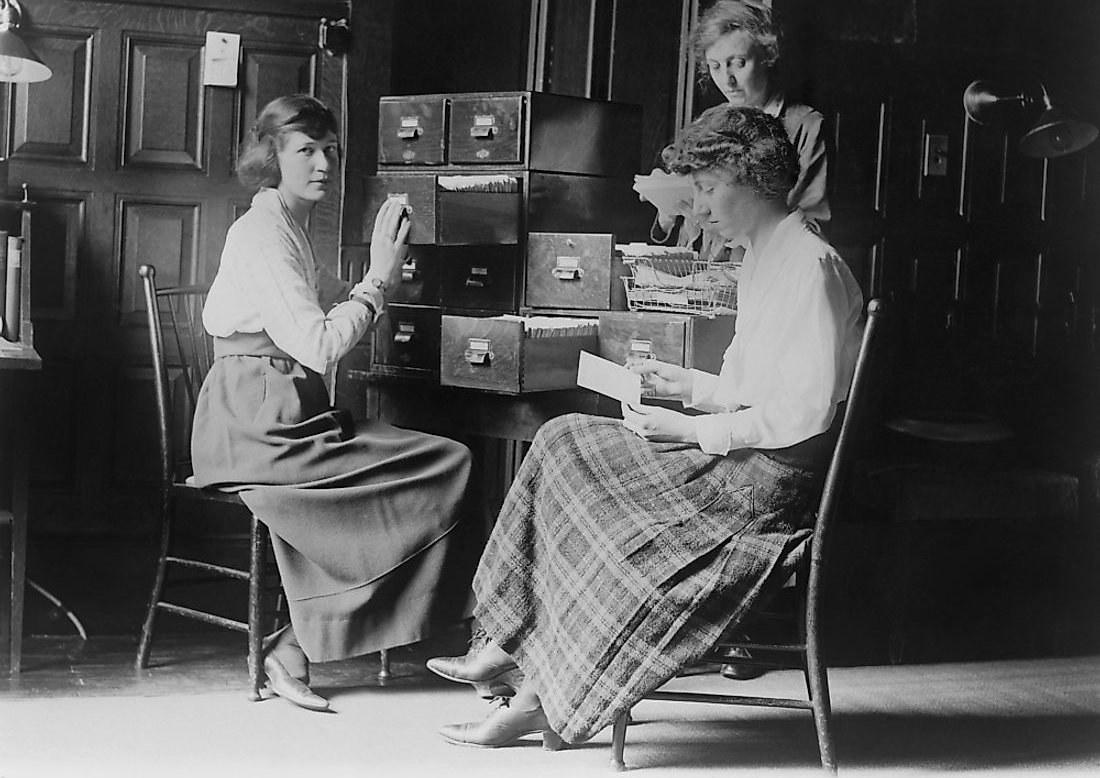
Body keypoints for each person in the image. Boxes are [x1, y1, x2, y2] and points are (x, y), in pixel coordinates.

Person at [426, 105, 863, 750]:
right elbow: (755, 388)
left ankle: (532, 692)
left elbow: (806, 414)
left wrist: (687, 432)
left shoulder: (811, 266)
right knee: (562, 440)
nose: (701, 205)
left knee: (585, 483)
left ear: (760, 182)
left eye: (712, 188)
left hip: (769, 487)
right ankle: (509, 647)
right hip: (747, 461)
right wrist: (683, 386)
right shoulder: (764, 258)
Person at [192, 94, 477, 712]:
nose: (323, 163)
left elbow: (320, 322)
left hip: (286, 411)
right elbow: (319, 343)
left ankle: (306, 639)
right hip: (255, 425)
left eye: (330, 150)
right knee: (440, 464)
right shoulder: (263, 232)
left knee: (446, 460)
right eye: (305, 150)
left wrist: (385, 280)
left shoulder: (288, 224)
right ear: (272, 157)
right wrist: (379, 277)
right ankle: (299, 644)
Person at [646, 0, 830, 260]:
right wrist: (667, 212)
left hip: (768, 277)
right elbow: (691, 238)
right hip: (710, 285)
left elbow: (813, 229)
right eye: (715, 67)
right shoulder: (710, 124)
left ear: (767, 55)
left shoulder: (805, 125)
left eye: (738, 63)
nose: (727, 80)